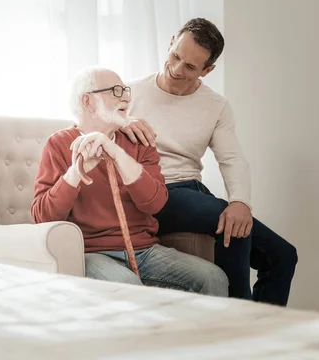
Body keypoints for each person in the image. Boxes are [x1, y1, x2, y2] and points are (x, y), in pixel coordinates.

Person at [121, 18, 298, 306]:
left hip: (193, 193)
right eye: (176, 56)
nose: (177, 69)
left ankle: (263, 330)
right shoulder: (129, 94)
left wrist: (241, 201)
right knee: (226, 219)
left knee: (283, 256)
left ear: (208, 69)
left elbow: (232, 159)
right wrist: (121, 121)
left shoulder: (215, 105)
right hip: (155, 192)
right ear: (170, 42)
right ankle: (237, 316)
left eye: (190, 66)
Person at [30, 66, 228, 297]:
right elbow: (42, 216)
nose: (125, 96)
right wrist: (76, 172)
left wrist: (117, 153)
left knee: (214, 278)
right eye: (115, 90)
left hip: (144, 250)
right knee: (127, 285)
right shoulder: (59, 144)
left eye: (125, 90)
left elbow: (155, 204)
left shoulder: (138, 141)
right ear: (88, 101)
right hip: (93, 253)